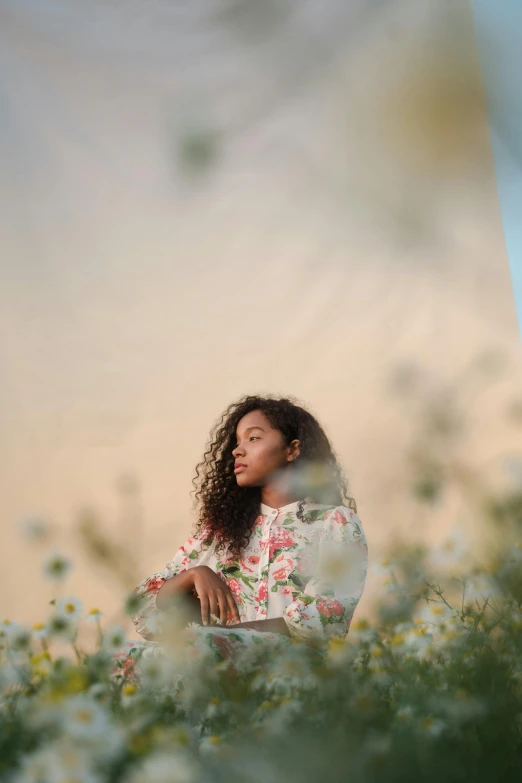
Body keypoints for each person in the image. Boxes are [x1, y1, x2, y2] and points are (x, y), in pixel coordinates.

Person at [114, 395, 368, 681]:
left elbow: (322, 619)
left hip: (296, 674)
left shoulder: (334, 523)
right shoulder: (219, 534)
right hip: (219, 671)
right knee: (115, 656)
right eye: (236, 442)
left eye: (253, 438)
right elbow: (144, 610)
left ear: (292, 450)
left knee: (203, 647)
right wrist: (194, 574)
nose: (237, 451)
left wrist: (222, 636)